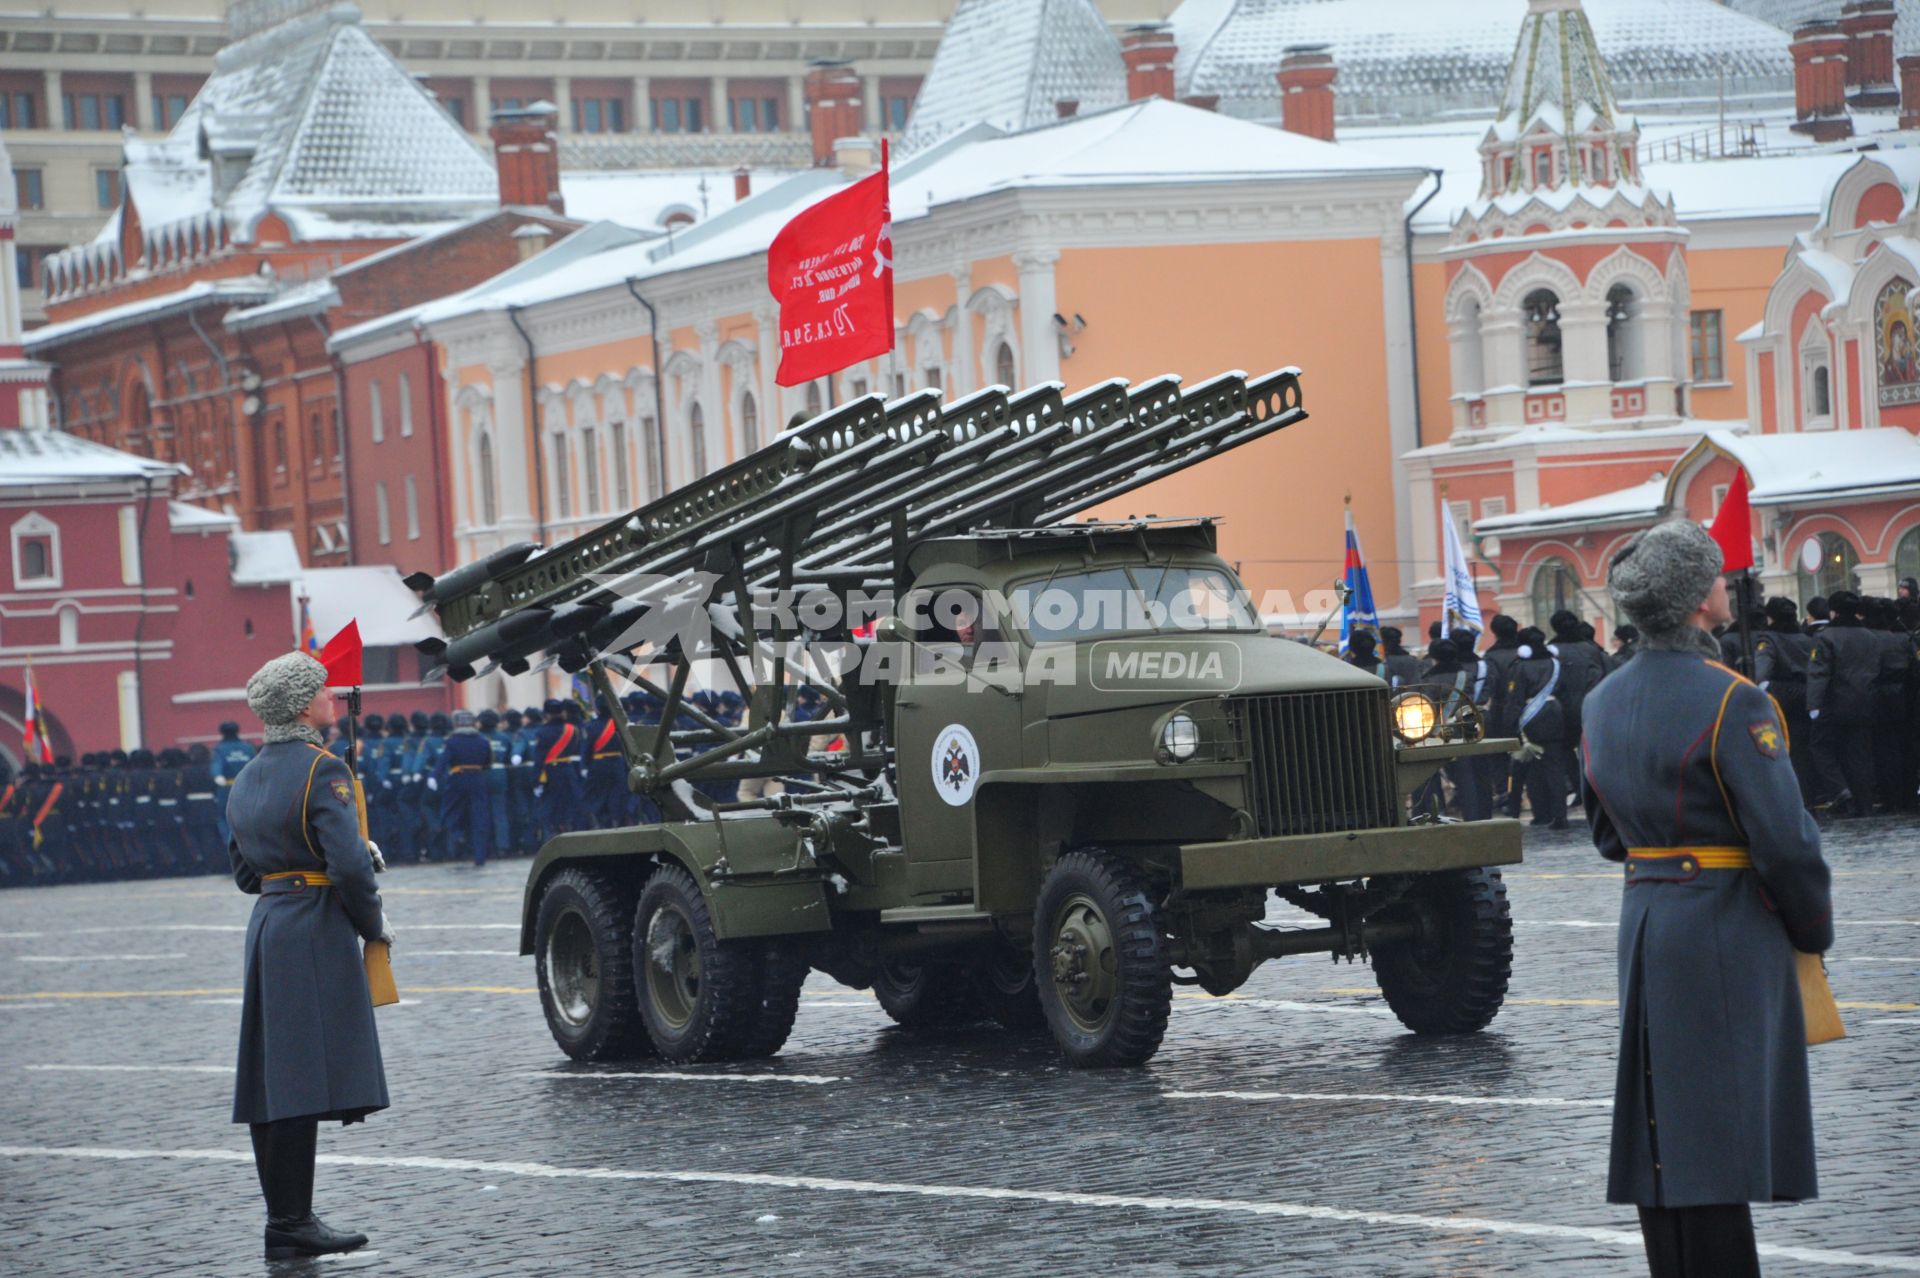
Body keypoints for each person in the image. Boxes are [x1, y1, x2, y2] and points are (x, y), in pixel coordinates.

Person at [1579, 520, 1832, 1278]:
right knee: (1718, 1137)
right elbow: (1784, 842)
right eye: (1717, 578)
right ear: (1696, 602)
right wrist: (1811, 928)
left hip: (1647, 918)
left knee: (1665, 1133)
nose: (1727, 587)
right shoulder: (1734, 700)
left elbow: (1607, 837)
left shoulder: (1601, 700)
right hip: (1724, 921)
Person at [227, 651, 389, 1260]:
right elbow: (347, 865)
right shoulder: (324, 771)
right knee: (294, 1082)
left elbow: (245, 873)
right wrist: (372, 923)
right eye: (322, 690)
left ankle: (286, 1221)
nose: (332, 696)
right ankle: (292, 1223)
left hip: (269, 924)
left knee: (274, 1082)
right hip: (314, 927)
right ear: (301, 705)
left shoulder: (245, 777)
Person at [1807, 590, 1878, 816]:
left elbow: (1819, 673)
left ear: (1833, 611)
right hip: (1865, 702)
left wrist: (1813, 705)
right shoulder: (1870, 636)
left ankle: (1840, 791)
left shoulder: (1825, 637)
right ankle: (1864, 802)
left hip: (1833, 703)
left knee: (1821, 747)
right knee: (1858, 753)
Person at [1503, 626, 1568, 828]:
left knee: (1533, 769)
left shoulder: (1520, 668)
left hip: (1532, 718)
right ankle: (1560, 814)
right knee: (1555, 768)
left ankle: (1541, 813)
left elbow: (1515, 699)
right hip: (1556, 714)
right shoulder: (1556, 664)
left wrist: (1509, 725)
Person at [1754, 597, 1816, 804]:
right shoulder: (1806, 639)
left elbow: (1761, 673)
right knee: (1803, 750)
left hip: (1782, 697)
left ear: (1770, 617)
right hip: (1806, 694)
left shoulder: (1768, 639)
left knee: (1783, 749)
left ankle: (1791, 798)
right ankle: (1808, 795)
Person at [436, 709, 494, 866]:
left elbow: (443, 762)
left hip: (458, 778)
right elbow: (488, 762)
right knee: (480, 818)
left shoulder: (452, 741)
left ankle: (457, 835)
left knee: (451, 810)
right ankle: (480, 857)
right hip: (478, 778)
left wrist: (435, 777)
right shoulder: (483, 741)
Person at [531, 698, 583, 836]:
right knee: (569, 803)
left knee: (553, 805)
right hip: (568, 770)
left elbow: (539, 759)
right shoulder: (573, 730)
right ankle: (569, 828)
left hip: (551, 773)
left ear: (546, 714)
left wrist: (535, 780)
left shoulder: (542, 732)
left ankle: (555, 832)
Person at [210, 720, 256, 848]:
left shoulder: (219, 749)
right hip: (247, 788)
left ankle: (230, 843)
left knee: (224, 817)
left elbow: (216, 766)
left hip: (227, 789)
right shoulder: (247, 748)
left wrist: (218, 776)